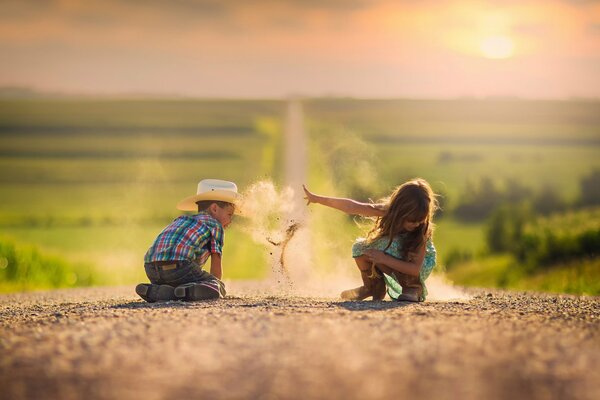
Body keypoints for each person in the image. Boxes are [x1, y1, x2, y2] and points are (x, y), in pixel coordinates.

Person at [303, 178, 437, 302]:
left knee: (390, 246)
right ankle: (372, 287)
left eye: (420, 220)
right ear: (399, 211)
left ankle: (412, 288)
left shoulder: (421, 231)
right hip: (394, 255)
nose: (416, 225)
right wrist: (317, 199)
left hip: (418, 266)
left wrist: (384, 258)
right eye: (411, 221)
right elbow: (352, 207)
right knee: (361, 248)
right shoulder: (389, 211)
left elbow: (414, 269)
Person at [135, 179, 239, 302]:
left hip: (151, 267)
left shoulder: (182, 219)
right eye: (229, 215)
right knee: (217, 286)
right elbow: (216, 262)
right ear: (214, 208)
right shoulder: (215, 225)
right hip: (180, 267)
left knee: (177, 283)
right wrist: (216, 284)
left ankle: (159, 291)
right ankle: (188, 292)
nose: (230, 221)